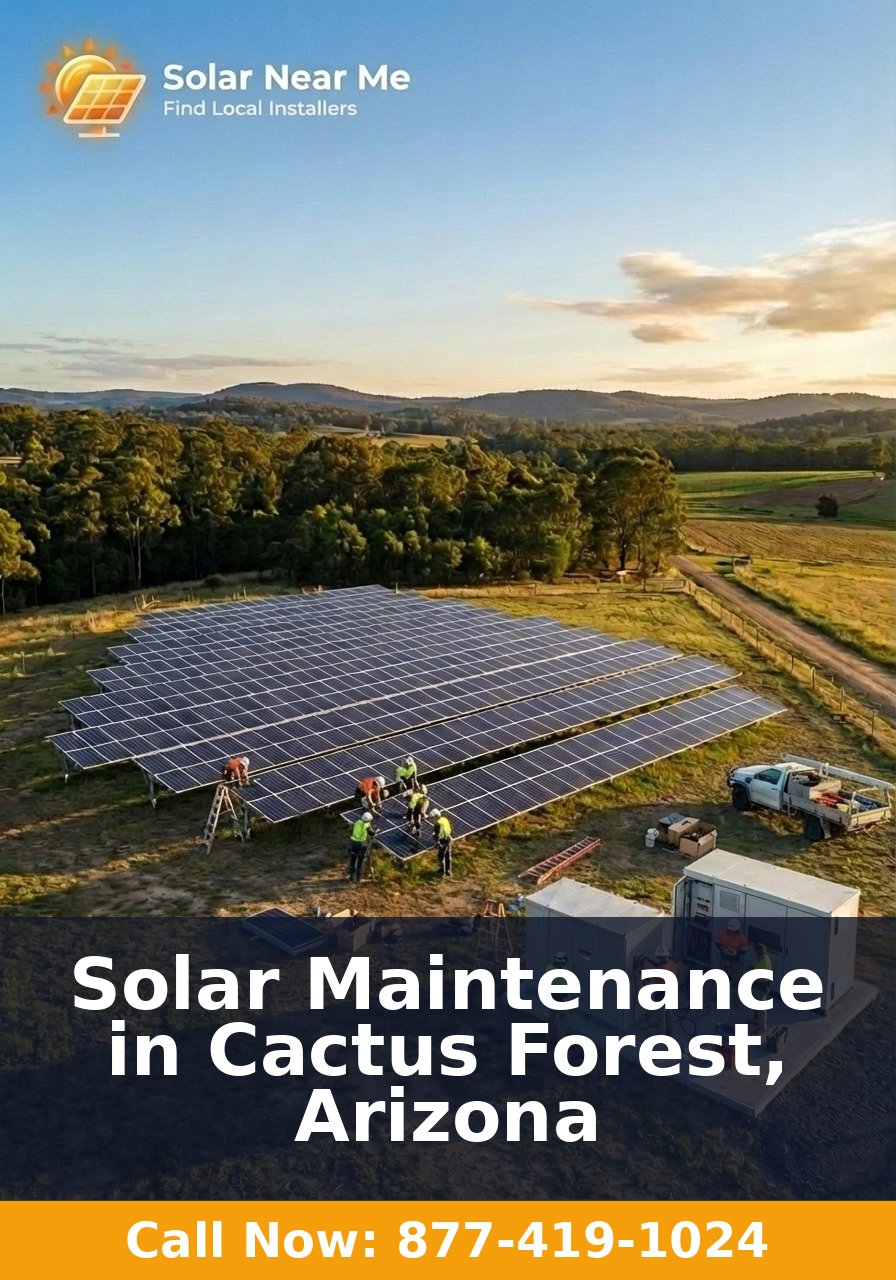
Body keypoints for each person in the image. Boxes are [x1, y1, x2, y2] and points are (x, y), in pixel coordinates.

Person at [347, 812, 374, 884]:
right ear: (368, 820)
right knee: (360, 862)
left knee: (352, 860)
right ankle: (358, 879)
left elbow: (351, 830)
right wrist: (375, 832)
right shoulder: (367, 825)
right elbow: (371, 833)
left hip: (352, 843)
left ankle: (351, 877)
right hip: (361, 844)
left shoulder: (357, 822)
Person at [430, 809, 453, 877]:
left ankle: (442, 872)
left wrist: (437, 843)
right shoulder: (444, 819)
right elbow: (449, 828)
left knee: (441, 856)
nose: (432, 819)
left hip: (443, 841)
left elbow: (436, 835)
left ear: (436, 816)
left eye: (432, 818)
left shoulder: (437, 824)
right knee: (448, 856)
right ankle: (448, 871)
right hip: (449, 839)